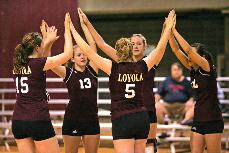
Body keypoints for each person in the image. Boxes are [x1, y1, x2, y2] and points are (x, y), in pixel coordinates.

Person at [70, 8, 175, 153]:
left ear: (118, 53)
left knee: (149, 146)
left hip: (124, 117)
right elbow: (160, 48)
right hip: (141, 115)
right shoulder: (144, 65)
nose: (136, 46)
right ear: (130, 49)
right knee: (148, 146)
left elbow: (89, 51)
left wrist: (73, 30)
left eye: (139, 43)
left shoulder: (114, 66)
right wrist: (168, 28)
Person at [11, 13, 73, 153]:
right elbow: (68, 54)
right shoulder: (38, 64)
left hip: (18, 121)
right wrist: (67, 29)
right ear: (38, 48)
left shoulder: (17, 65)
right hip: (37, 119)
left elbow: (43, 59)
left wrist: (47, 41)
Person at [41, 17, 100, 153]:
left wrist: (84, 25)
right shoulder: (68, 73)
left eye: (84, 54)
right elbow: (49, 62)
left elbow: (92, 45)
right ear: (72, 58)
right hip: (73, 119)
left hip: (92, 120)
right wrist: (48, 43)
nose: (83, 57)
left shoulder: (93, 69)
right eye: (79, 55)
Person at [169, 14, 223, 153]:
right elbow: (176, 50)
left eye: (193, 55)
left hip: (212, 119)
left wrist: (175, 31)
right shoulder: (192, 69)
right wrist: (168, 32)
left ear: (201, 56)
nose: (189, 57)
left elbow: (187, 50)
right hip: (199, 119)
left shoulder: (207, 66)